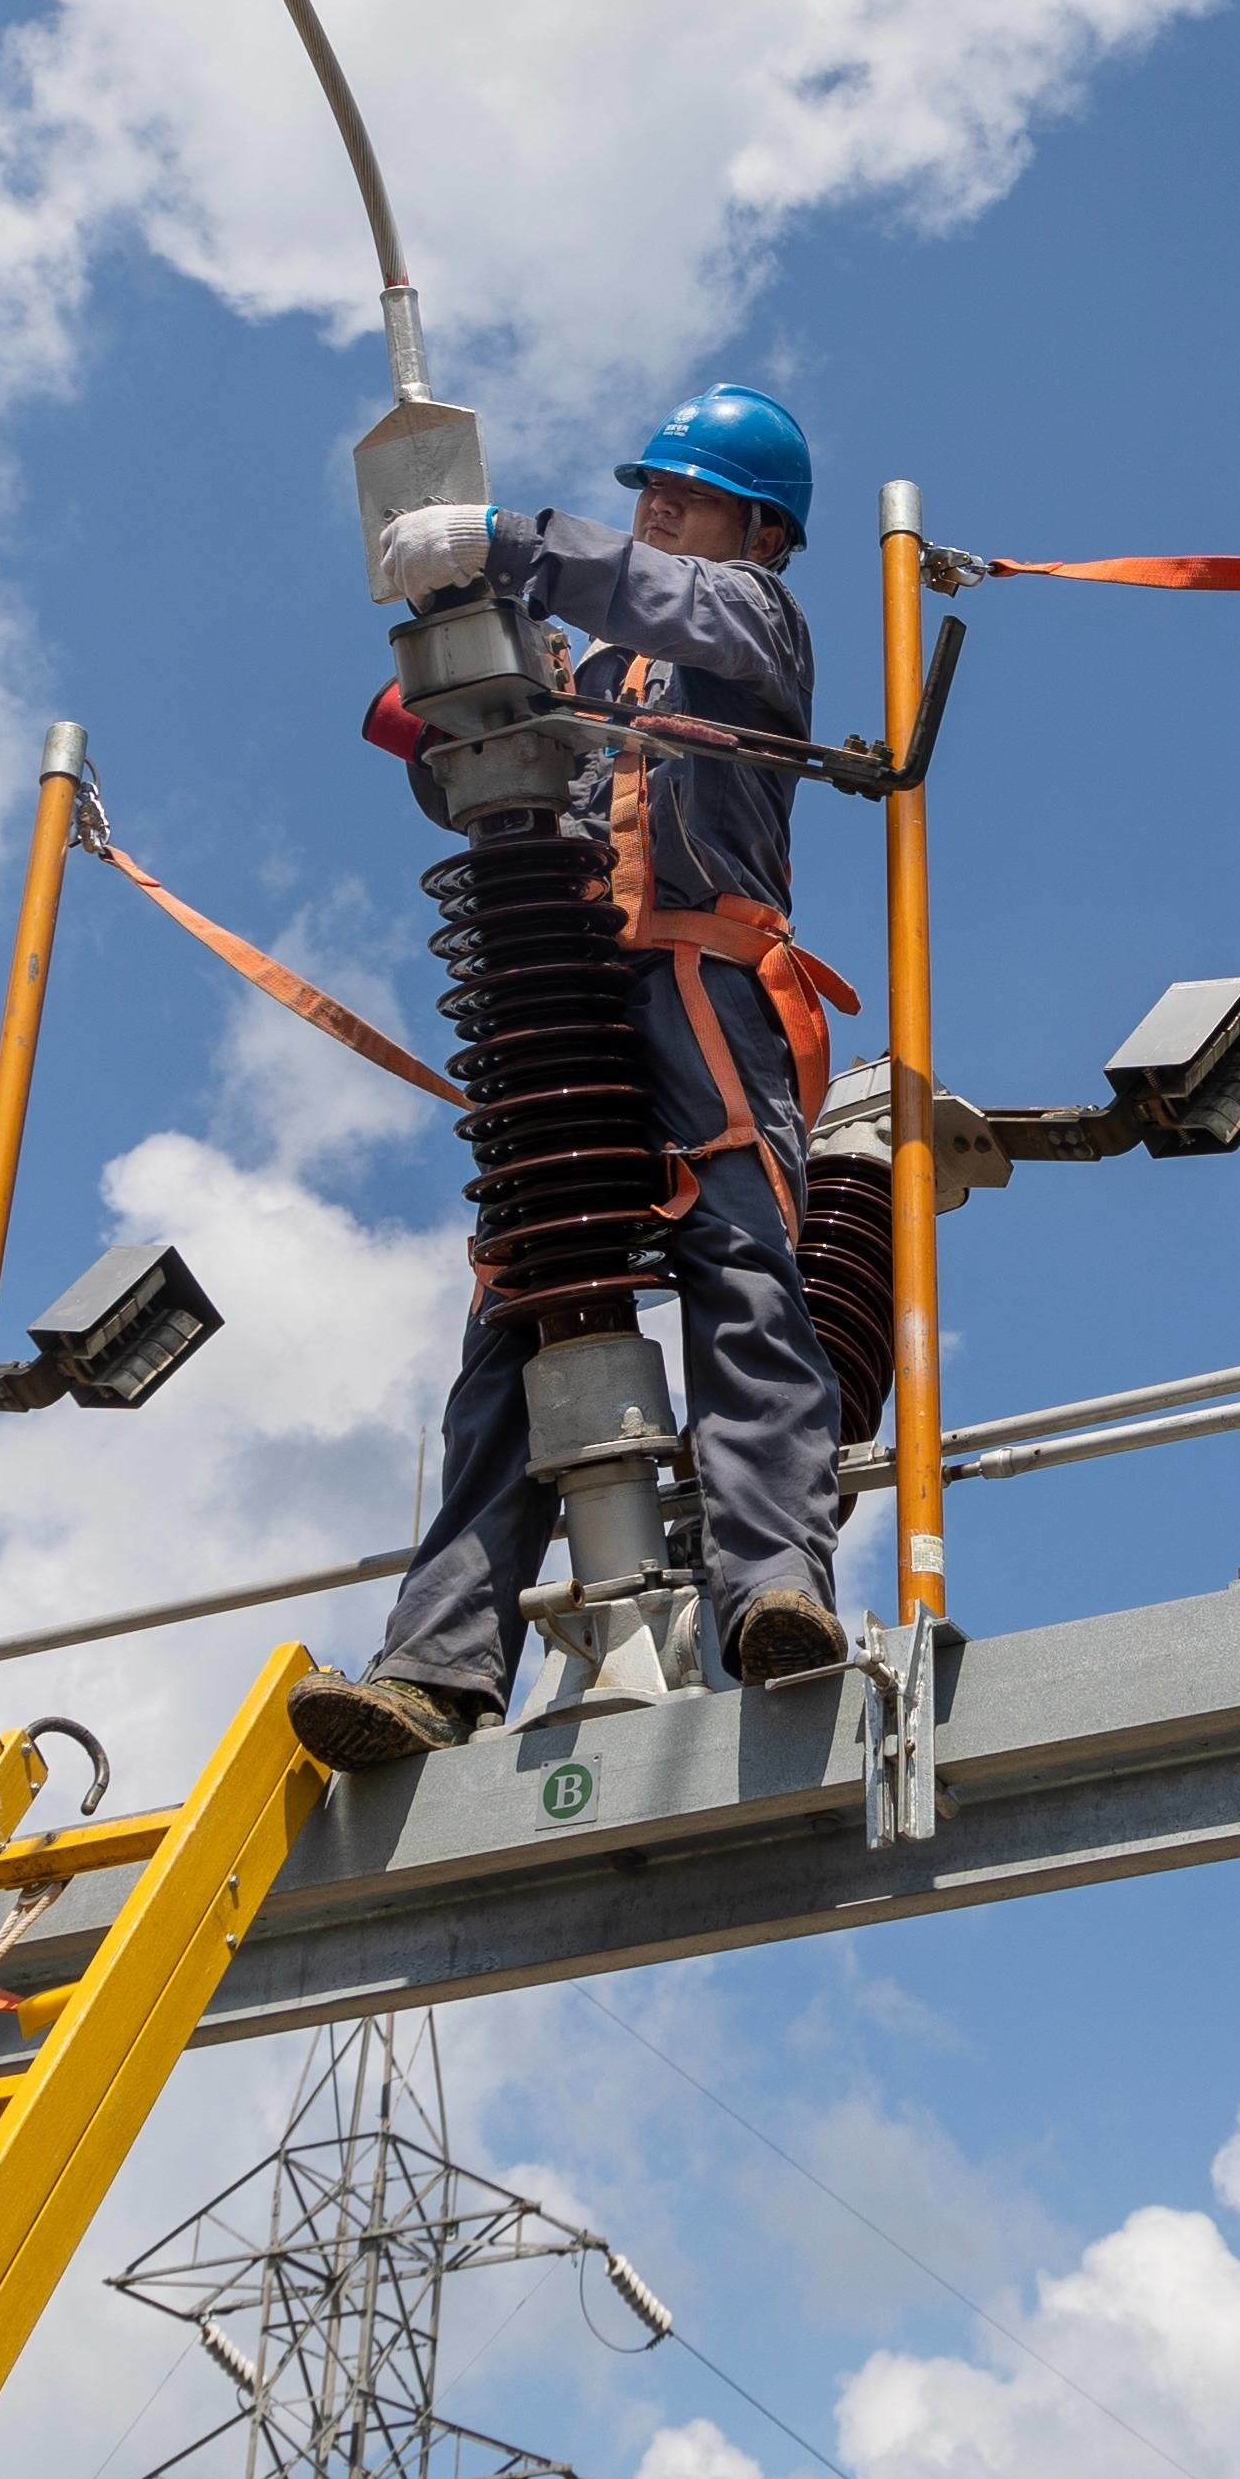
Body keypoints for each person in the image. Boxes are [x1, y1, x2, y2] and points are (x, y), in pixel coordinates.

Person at [293, 384, 859, 1766]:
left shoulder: (752, 630)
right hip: (565, 1007)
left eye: (690, 495)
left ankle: (771, 1586)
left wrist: (509, 542)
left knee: (738, 1270)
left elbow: (667, 598)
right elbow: (463, 754)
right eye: (651, 489)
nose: (658, 507)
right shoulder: (595, 673)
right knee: (525, 1312)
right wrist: (447, 665)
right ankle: (438, 1665)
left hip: (699, 988)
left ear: (762, 530)